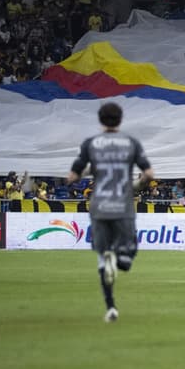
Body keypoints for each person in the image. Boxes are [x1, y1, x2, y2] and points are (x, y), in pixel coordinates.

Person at [67, 102, 154, 323]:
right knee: (129, 249)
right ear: (121, 119)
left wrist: (81, 174)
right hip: (122, 204)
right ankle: (121, 260)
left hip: (99, 206)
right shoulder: (130, 143)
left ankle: (111, 307)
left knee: (101, 255)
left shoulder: (91, 143)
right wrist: (136, 185)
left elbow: (73, 176)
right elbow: (149, 173)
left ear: (100, 119)